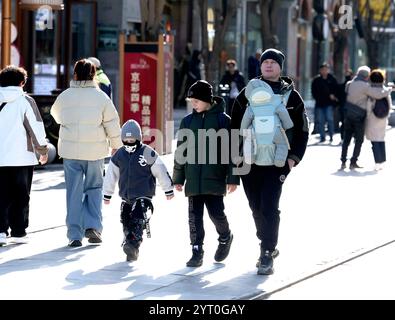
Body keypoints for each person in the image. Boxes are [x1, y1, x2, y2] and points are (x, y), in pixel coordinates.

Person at [231, 48, 309, 275]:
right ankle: (267, 240)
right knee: (256, 208)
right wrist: (234, 161)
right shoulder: (247, 93)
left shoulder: (292, 97)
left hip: (278, 163)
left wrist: (293, 159)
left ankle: (266, 252)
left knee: (269, 207)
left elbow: (302, 130)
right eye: (265, 61)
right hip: (248, 160)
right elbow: (235, 127)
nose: (268, 65)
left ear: (280, 67)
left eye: (273, 62)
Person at [51, 59, 123, 247]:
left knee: (73, 192)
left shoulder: (64, 96)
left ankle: (74, 234)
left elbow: (56, 116)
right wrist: (116, 144)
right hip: (95, 151)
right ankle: (93, 226)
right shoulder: (101, 97)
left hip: (70, 152)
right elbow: (112, 123)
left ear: (75, 75)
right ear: (93, 75)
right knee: (94, 188)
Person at [173, 80, 239, 267]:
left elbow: (232, 152)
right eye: (191, 100)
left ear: (207, 100)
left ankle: (225, 236)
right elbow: (181, 153)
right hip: (193, 179)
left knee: (216, 214)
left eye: (196, 100)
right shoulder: (187, 122)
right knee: (194, 217)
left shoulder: (223, 121)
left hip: (214, 178)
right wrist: (178, 178)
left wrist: (232, 177)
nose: (193, 104)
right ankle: (196, 250)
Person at [103, 119, 174, 261]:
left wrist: (168, 189)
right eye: (126, 140)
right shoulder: (119, 155)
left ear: (139, 138)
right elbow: (111, 175)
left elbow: (160, 170)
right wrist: (107, 194)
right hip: (126, 197)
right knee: (125, 219)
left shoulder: (147, 153)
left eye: (132, 139)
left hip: (143, 196)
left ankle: (133, 243)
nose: (129, 143)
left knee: (137, 218)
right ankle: (129, 245)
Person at [0, 65, 48, 246]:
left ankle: (1, 231)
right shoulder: (25, 101)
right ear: (22, 82)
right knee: (21, 195)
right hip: (22, 158)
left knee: (1, 195)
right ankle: (19, 231)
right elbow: (36, 127)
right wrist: (42, 151)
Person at [340, 66, 392, 170]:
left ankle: (343, 161)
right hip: (359, 116)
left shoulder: (349, 84)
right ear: (365, 75)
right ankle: (353, 162)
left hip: (348, 114)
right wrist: (389, 89)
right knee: (359, 140)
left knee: (346, 139)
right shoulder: (365, 86)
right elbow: (378, 95)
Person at [365, 69, 392, 170]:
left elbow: (368, 106)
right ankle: (382, 160)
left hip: (372, 118)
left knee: (374, 140)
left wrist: (366, 117)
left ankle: (377, 162)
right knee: (381, 139)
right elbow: (389, 105)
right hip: (383, 118)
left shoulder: (370, 91)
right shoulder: (385, 90)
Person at [311, 63, 338, 142]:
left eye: (326, 69)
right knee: (321, 121)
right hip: (319, 103)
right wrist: (317, 98)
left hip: (329, 103)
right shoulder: (316, 80)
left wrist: (333, 95)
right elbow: (313, 91)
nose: (324, 71)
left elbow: (336, 89)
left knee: (330, 120)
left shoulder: (332, 79)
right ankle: (322, 137)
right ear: (320, 70)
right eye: (323, 69)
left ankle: (331, 135)